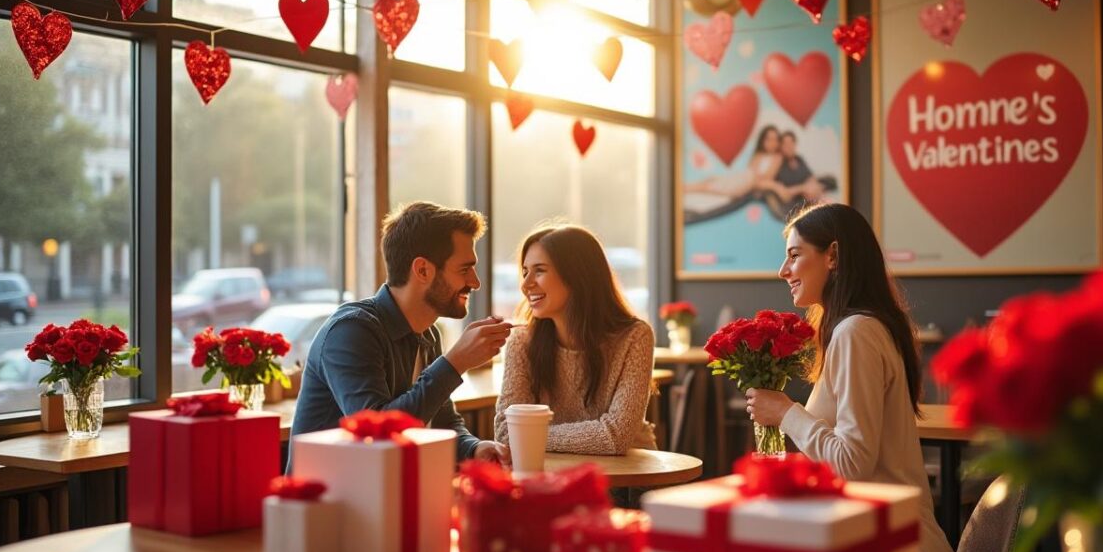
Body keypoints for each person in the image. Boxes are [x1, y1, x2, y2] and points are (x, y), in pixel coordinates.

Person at [743, 203, 977, 552]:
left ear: (833, 255)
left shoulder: (856, 332)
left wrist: (786, 413)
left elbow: (853, 462)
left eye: (795, 255)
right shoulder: (859, 328)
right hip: (882, 548)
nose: (783, 270)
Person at [289, 201, 511, 468]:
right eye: (465, 269)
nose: (475, 282)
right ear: (422, 270)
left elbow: (441, 423)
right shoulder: (351, 331)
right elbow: (378, 435)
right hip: (328, 503)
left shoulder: (428, 334)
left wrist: (474, 448)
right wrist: (455, 363)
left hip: (385, 494)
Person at [494, 225, 656, 455]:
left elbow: (616, 437)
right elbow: (505, 434)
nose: (525, 284)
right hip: (554, 478)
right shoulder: (521, 341)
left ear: (577, 275)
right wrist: (595, 435)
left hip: (628, 480)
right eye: (525, 271)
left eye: (539, 270)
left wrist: (529, 436)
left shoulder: (635, 337)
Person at [683, 125, 784, 200]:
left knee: (711, 186)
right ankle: (686, 187)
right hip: (745, 177)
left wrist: (772, 185)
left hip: (748, 182)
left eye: (775, 139)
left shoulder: (777, 157)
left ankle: (686, 189)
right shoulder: (758, 155)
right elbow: (751, 170)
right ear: (763, 141)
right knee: (711, 179)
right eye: (769, 139)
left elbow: (767, 177)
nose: (772, 143)